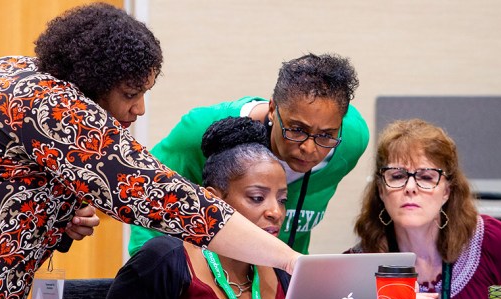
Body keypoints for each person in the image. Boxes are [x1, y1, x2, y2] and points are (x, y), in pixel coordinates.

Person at [0, 4, 298, 299]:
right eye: (129, 93)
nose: (138, 109)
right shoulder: (52, 104)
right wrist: (289, 260)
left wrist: (57, 212)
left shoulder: (13, 70)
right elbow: (158, 195)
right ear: (91, 82)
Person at [129, 53, 369, 255]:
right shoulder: (200, 131)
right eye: (296, 130)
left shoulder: (351, 143)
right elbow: (148, 196)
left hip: (282, 284)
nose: (309, 148)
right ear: (273, 109)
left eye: (326, 135)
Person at [347, 119, 501, 299]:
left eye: (426, 177)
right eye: (397, 176)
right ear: (381, 190)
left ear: (447, 192)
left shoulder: (493, 242)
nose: (410, 187)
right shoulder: (354, 268)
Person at [99, 117, 290, 299]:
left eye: (282, 200)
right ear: (214, 201)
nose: (275, 212)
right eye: (257, 198)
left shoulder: (283, 272)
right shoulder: (165, 260)